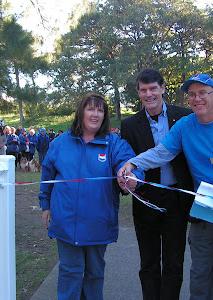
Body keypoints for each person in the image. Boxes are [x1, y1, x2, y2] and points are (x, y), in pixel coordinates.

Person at [117, 73, 213, 300]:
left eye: (202, 93)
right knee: (199, 276)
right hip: (203, 210)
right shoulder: (184, 125)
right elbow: (162, 153)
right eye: (192, 95)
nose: (197, 99)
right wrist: (133, 162)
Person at [38, 93, 144, 300]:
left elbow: (130, 165)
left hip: (98, 222)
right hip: (65, 221)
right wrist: (45, 206)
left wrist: (132, 178)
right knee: (70, 271)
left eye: (100, 110)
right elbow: (47, 177)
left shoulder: (114, 143)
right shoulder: (60, 143)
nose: (96, 114)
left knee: (94, 273)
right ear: (81, 112)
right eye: (91, 109)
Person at [120, 68, 193, 300]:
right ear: (138, 93)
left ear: (162, 88)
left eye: (153, 88)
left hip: (176, 199)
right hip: (146, 199)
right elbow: (128, 158)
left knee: (174, 262)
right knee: (149, 263)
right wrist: (128, 177)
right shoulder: (130, 124)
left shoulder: (184, 116)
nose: (149, 94)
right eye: (143, 90)